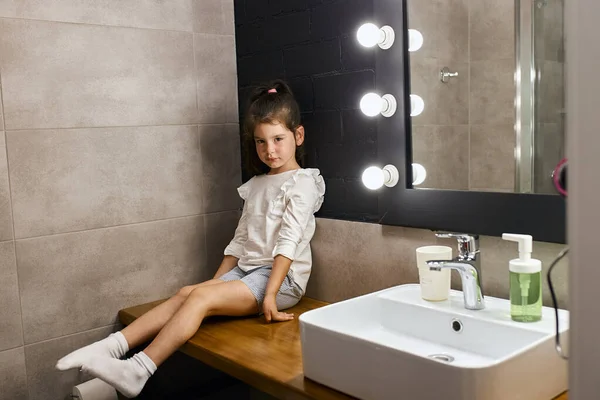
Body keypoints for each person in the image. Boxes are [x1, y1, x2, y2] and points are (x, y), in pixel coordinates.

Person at [55, 79, 326, 398]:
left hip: (282, 280)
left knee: (199, 297)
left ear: (298, 135)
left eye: (278, 139)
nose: (270, 150)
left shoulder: (303, 183)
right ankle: (109, 349)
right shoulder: (256, 184)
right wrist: (213, 287)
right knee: (188, 292)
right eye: (260, 142)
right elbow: (239, 243)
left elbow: (289, 241)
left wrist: (266, 296)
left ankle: (138, 370)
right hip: (248, 272)